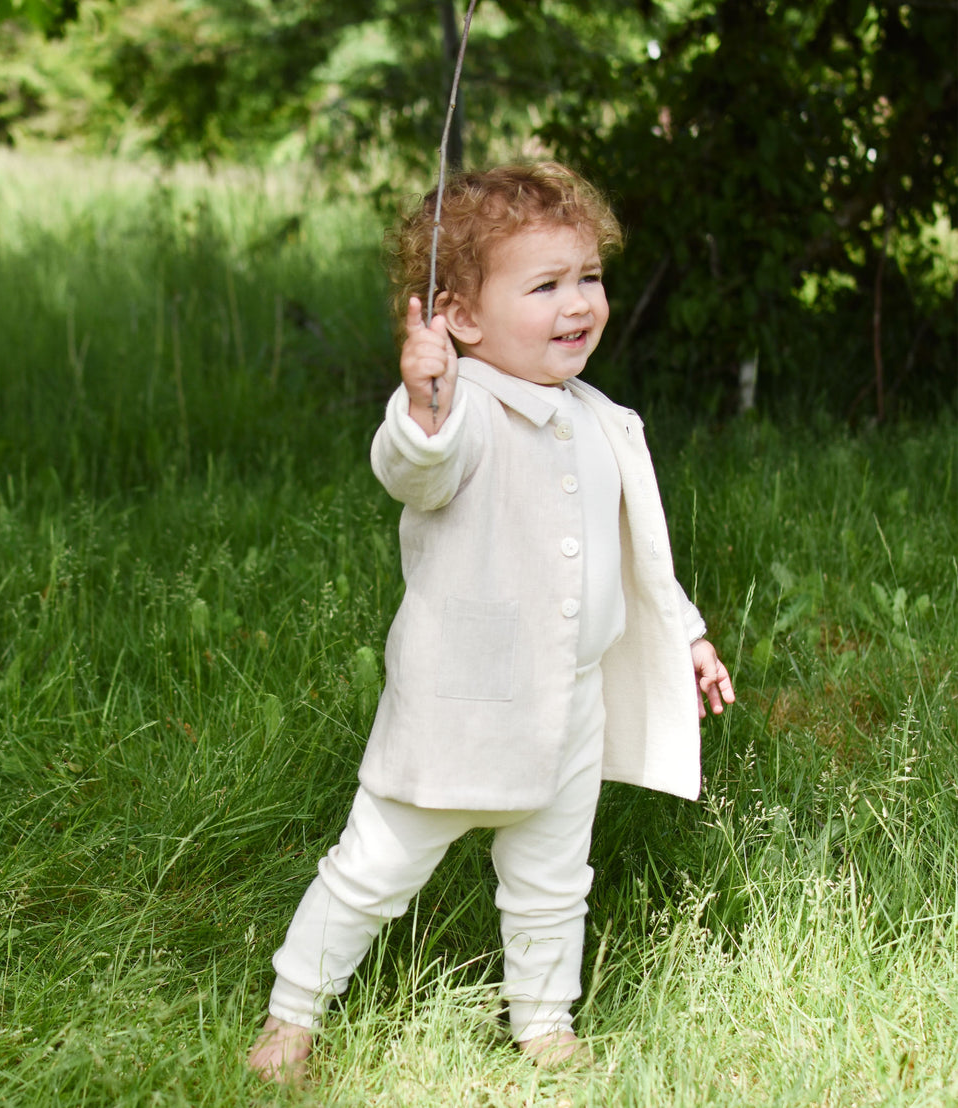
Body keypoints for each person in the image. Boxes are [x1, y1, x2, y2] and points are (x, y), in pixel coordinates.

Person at [247, 162, 735, 1083]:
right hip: (459, 702)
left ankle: (544, 1022)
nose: (578, 303)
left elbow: (635, 557)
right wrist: (424, 397)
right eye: (544, 285)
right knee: (374, 868)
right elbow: (415, 465)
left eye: (587, 277)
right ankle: (291, 1019)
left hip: (570, 707)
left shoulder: (600, 420)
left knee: (555, 879)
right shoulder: (462, 409)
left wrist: (690, 635)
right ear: (460, 317)